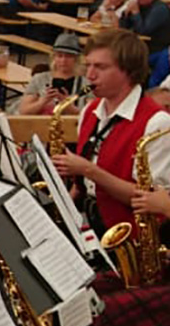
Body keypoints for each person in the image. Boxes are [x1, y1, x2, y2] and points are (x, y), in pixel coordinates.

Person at [54, 27, 170, 240]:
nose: (90, 74)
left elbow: (150, 199)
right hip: (88, 223)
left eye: (100, 67)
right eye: (87, 65)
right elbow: (83, 186)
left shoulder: (157, 123)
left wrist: (89, 169)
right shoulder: (90, 110)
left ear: (129, 70)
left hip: (129, 237)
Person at [16, 32, 87, 115]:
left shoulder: (85, 84)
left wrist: (67, 104)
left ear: (76, 59)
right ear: (54, 57)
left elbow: (90, 116)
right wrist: (43, 101)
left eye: (68, 56)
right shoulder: (39, 79)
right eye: (59, 56)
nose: (63, 61)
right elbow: (24, 111)